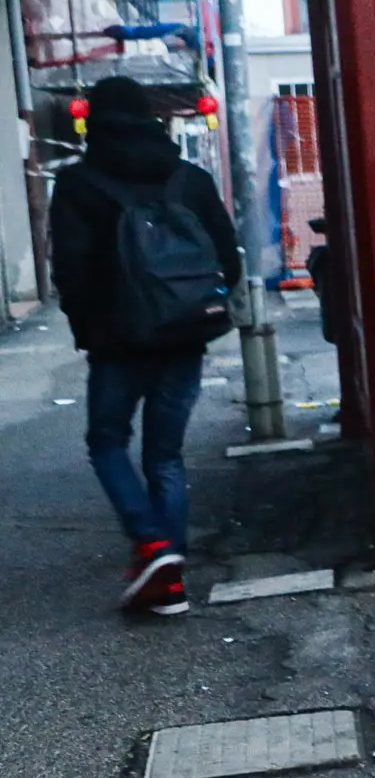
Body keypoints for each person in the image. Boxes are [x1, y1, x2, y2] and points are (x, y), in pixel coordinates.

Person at [48, 75, 241, 616]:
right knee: (166, 455)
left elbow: (72, 269)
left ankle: (150, 542)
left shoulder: (79, 184)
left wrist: (91, 329)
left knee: (107, 441)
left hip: (118, 341)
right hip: (184, 335)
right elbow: (228, 257)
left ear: (95, 120)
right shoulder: (189, 179)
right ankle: (170, 580)